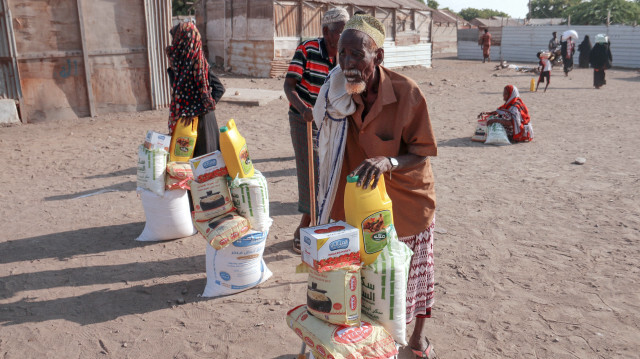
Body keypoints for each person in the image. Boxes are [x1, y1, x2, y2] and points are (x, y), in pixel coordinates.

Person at [326, 14, 438, 358]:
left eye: (356, 55)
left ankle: (416, 342)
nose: (347, 64)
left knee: (411, 281)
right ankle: (376, 346)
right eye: (342, 54)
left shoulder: (407, 93)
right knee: (372, 285)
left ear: (379, 57)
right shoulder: (339, 93)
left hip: (406, 202)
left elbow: (422, 152)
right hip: (365, 206)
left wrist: (388, 161)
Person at [284, 8, 349, 253]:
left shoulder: (345, 55)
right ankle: (304, 225)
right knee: (310, 173)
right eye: (340, 32)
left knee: (332, 171)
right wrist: (303, 110)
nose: (344, 37)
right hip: (304, 119)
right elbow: (289, 86)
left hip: (330, 120)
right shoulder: (308, 49)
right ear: (326, 32)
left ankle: (326, 224)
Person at [166, 22, 225, 157]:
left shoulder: (199, 64)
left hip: (203, 122)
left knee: (206, 163)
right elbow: (177, 92)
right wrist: (172, 67)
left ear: (183, 40)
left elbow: (219, 89)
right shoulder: (178, 64)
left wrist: (199, 109)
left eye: (175, 39)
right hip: (185, 121)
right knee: (186, 165)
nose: (173, 43)